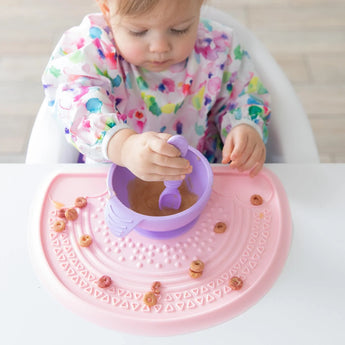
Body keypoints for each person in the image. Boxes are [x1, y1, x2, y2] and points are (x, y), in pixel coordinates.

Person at [42, 0, 270, 180]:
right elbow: (74, 98)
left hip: (198, 172)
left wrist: (244, 127)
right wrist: (123, 146)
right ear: (107, 11)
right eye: (138, 31)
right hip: (114, 176)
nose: (160, 47)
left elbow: (242, 94)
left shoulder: (218, 49)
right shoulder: (92, 49)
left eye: (179, 29)